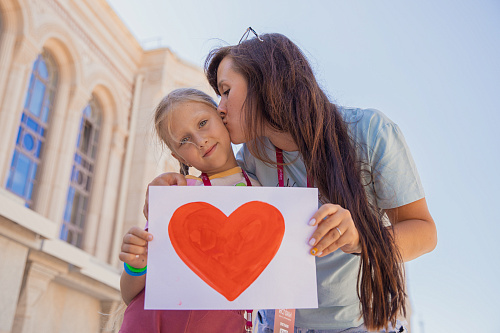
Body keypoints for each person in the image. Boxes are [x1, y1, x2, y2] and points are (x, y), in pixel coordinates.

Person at [144, 31, 437, 333]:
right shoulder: (253, 153)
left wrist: (360, 239)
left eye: (226, 90)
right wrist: (170, 192)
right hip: (274, 326)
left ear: (264, 81)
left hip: (361, 324)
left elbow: (425, 232)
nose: (219, 107)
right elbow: (217, 200)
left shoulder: (370, 133)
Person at [119, 88, 259, 333]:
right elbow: (128, 292)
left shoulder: (266, 189)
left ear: (222, 115)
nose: (199, 140)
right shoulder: (177, 195)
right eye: (184, 140)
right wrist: (137, 264)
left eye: (203, 123)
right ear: (177, 155)